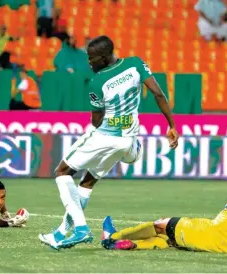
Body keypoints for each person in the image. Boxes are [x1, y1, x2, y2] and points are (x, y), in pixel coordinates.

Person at [39, 35, 179, 250]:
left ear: (104, 58)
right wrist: (171, 125)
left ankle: (81, 229)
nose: (89, 62)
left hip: (105, 136)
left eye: (92, 58)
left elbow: (96, 120)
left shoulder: (97, 82)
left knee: (62, 171)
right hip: (126, 140)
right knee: (87, 182)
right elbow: (158, 93)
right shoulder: (135, 64)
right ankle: (60, 233)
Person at [101, 157, 227, 256]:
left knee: (163, 224)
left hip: (209, 235)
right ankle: (130, 244)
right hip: (226, 244)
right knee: (168, 240)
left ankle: (113, 236)